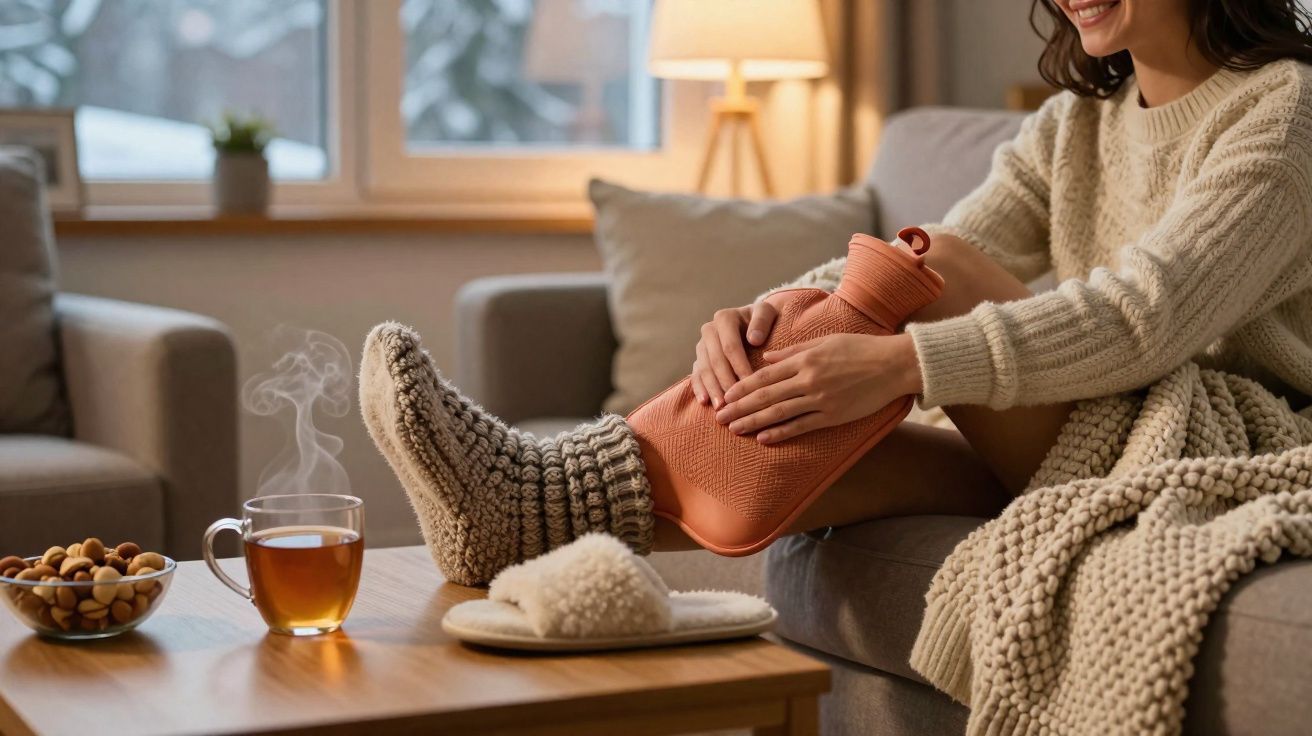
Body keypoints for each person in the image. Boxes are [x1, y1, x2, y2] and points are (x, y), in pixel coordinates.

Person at [360, 0, 1312, 586]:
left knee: (938, 264)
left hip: (1229, 441)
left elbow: (1143, 317)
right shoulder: (1077, 121)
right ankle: (532, 517)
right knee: (838, 451)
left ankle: (543, 486)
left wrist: (905, 363)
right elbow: (897, 261)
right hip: (1112, 423)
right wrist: (765, 310)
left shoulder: (1283, 113)